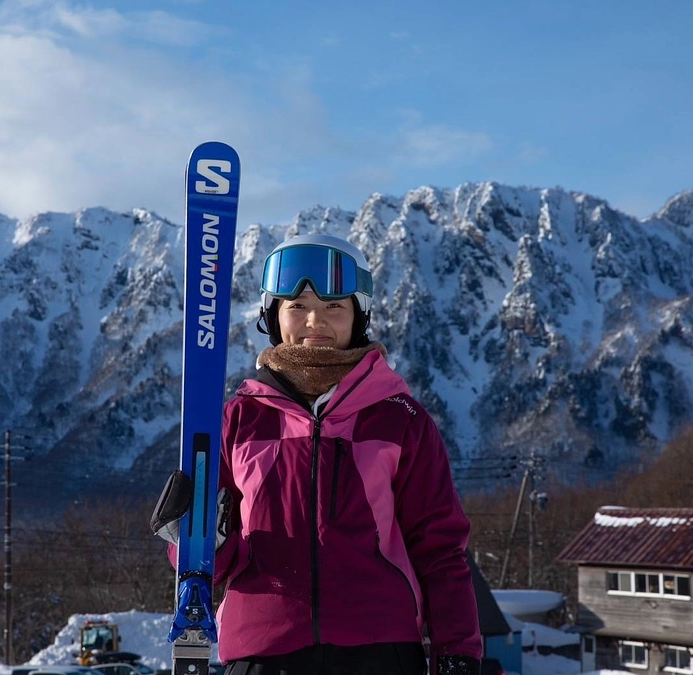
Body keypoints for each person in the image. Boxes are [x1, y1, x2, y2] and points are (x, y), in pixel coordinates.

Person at [152, 233, 482, 675]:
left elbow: (439, 549)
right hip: (261, 653)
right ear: (274, 315)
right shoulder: (237, 421)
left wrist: (458, 651)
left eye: (334, 307)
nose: (315, 322)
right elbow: (216, 563)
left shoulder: (400, 419)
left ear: (358, 316)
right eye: (298, 306)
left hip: (381, 652)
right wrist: (190, 540)